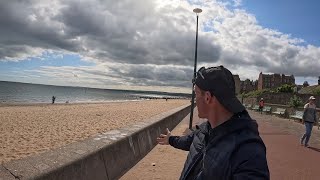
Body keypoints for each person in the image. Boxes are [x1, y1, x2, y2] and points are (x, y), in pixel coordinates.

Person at [157, 65, 269, 179]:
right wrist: (170, 139)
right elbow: (187, 141)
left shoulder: (248, 151)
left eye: (196, 94)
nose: (194, 100)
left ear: (207, 97)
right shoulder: (204, 130)